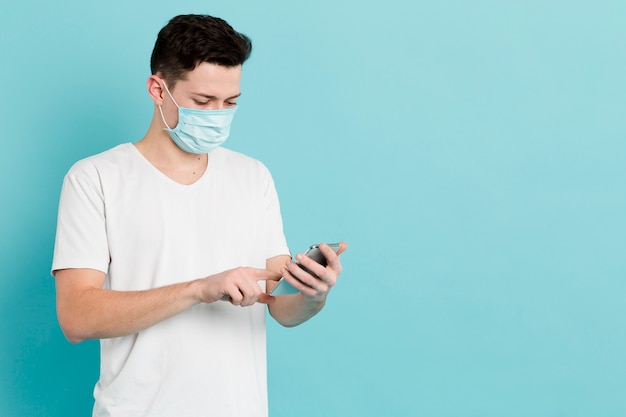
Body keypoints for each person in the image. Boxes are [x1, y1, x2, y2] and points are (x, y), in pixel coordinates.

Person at [51, 14, 346, 417]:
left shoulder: (252, 176)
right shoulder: (95, 178)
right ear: (158, 89)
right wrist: (199, 289)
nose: (218, 115)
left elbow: (276, 301)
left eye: (230, 103)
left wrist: (313, 295)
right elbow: (76, 317)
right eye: (203, 102)